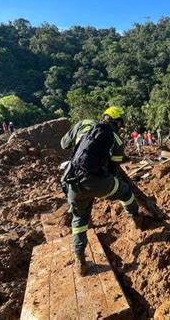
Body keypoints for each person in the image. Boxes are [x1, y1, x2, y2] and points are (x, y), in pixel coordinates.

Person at [61, 107, 141, 276]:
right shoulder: (116, 140)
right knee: (126, 192)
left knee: (79, 220)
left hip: (73, 181)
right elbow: (114, 171)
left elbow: (63, 144)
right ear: (117, 122)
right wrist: (106, 186)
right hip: (97, 182)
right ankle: (136, 220)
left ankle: (80, 261)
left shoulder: (82, 124)